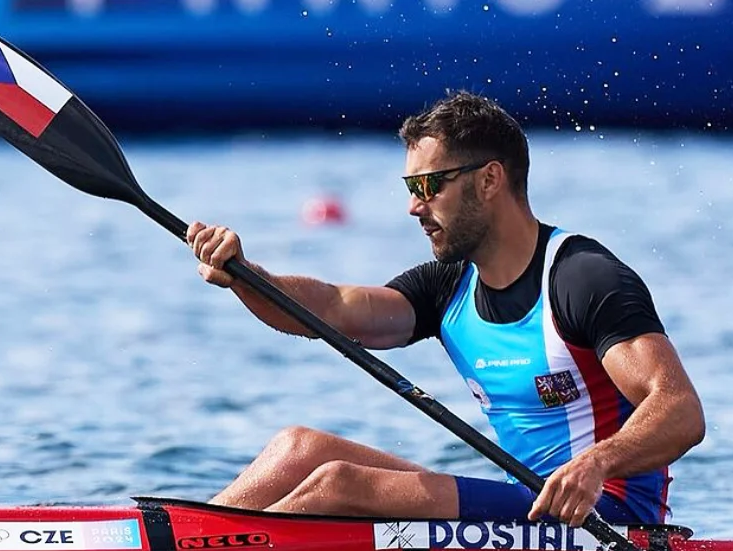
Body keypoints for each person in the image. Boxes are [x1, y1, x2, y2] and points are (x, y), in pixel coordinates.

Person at [185, 91, 704, 526]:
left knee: (340, 484)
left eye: (428, 185)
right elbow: (332, 309)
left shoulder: (582, 279)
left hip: (601, 519)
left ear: (489, 180)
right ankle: (186, 534)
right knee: (300, 449)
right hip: (522, 510)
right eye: (411, 188)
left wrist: (596, 463)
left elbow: (680, 411)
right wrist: (246, 276)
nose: (414, 206)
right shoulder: (449, 286)